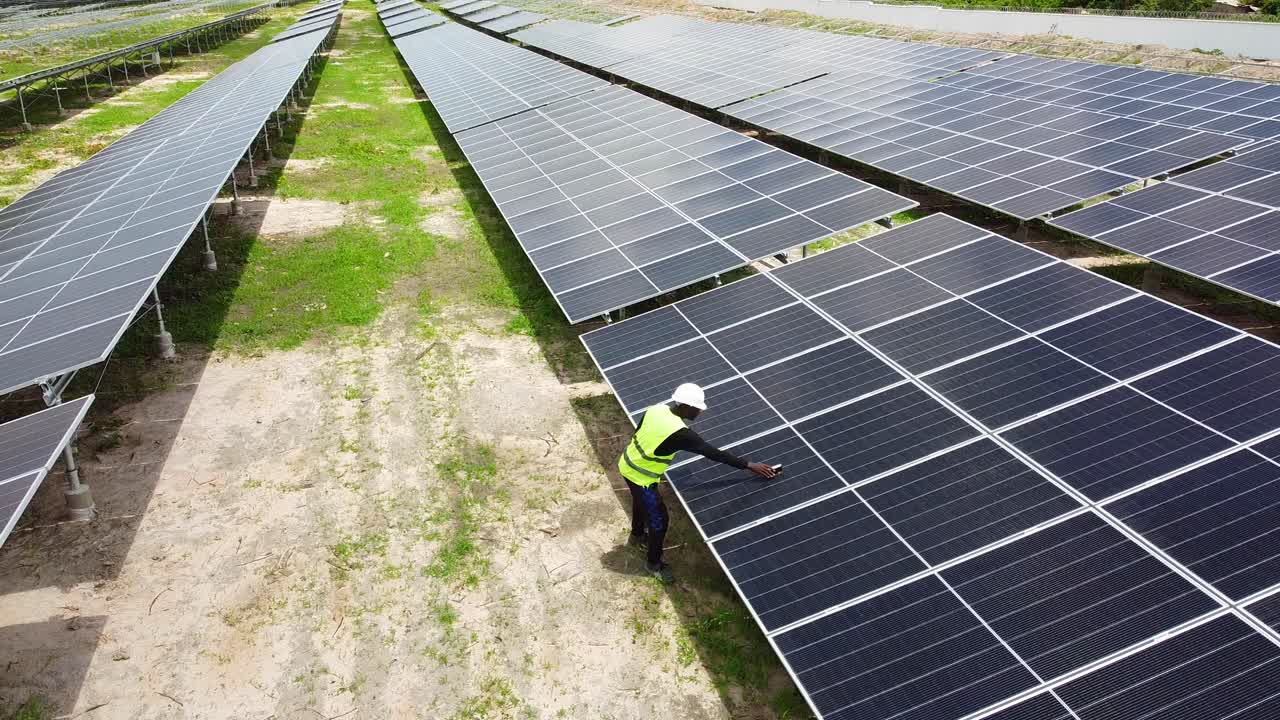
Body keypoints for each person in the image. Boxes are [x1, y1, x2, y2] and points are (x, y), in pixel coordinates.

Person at [618, 382, 778, 584]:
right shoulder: (680, 433)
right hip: (641, 477)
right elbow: (712, 453)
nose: (700, 412)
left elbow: (638, 432)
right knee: (659, 521)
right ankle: (654, 564)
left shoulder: (656, 409)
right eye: (697, 408)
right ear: (686, 406)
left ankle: (637, 534)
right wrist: (748, 464)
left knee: (641, 502)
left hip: (627, 463)